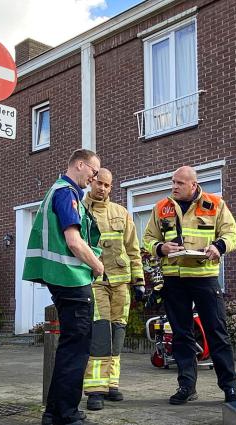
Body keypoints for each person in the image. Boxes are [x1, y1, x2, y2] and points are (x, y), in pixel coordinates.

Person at [142, 166, 236, 405]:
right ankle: (186, 386)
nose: (174, 187)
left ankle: (230, 387)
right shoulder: (161, 207)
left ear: (193, 185)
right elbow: (147, 239)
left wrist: (218, 246)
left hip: (204, 278)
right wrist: (160, 248)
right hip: (173, 279)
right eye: (173, 182)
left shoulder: (215, 204)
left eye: (179, 183)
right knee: (180, 334)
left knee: (217, 332)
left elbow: (233, 235)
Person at [23, 149, 103, 425]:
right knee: (76, 349)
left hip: (61, 279)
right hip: (72, 279)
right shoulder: (66, 193)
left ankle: (54, 412)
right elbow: (74, 241)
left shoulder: (56, 191)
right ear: (80, 165)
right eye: (93, 173)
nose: (93, 179)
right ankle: (66, 414)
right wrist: (97, 265)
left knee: (70, 346)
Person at [81, 168, 146, 410]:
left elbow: (133, 249)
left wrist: (139, 281)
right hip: (94, 282)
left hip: (121, 283)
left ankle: (111, 384)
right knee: (100, 333)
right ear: (91, 182)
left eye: (108, 185)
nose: (103, 188)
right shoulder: (80, 210)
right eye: (99, 183)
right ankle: (94, 390)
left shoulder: (121, 212)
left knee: (118, 333)